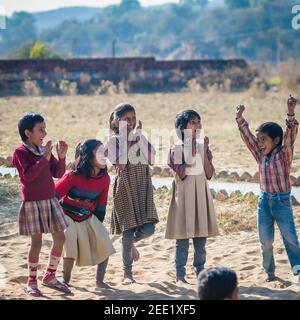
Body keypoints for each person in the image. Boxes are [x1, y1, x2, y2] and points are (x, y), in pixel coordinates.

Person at [236, 95, 300, 282]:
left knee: (290, 238)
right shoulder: (260, 154)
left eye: (264, 139)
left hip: (282, 201)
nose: (260, 143)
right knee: (265, 240)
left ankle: (297, 269)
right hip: (264, 202)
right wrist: (240, 118)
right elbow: (247, 138)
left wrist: (290, 113)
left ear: (276, 140)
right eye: (259, 139)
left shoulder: (284, 154)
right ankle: (269, 272)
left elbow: (291, 136)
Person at [12, 112, 70, 297]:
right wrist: (43, 158)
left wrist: (61, 157)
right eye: (41, 130)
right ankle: (31, 281)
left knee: (60, 238)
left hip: (50, 200)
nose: (44, 133)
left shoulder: (43, 150)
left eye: (45, 129)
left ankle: (50, 276)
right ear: (28, 133)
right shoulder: (20, 153)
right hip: (32, 203)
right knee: (36, 243)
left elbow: (58, 174)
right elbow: (28, 177)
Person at [107, 102, 159, 285]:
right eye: (126, 119)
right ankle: (127, 274)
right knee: (127, 232)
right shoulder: (113, 142)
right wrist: (129, 142)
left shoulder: (140, 137)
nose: (131, 122)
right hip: (125, 189)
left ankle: (130, 246)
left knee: (149, 229)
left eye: (133, 118)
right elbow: (121, 165)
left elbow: (152, 159)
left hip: (142, 187)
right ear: (116, 122)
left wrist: (140, 139)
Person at [165, 110, 219, 285]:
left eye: (199, 122)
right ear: (182, 128)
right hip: (184, 197)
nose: (198, 125)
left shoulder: (203, 147)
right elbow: (181, 174)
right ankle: (180, 275)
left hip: (200, 195)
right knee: (182, 238)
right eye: (193, 122)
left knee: (200, 238)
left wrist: (202, 152)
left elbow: (209, 174)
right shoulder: (176, 148)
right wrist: (193, 151)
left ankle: (200, 273)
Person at [55, 139, 115, 289]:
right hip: (66, 213)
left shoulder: (105, 179)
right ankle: (66, 280)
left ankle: (100, 280)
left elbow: (102, 203)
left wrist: (97, 224)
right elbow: (54, 196)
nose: (105, 155)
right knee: (70, 236)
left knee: (104, 240)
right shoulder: (72, 176)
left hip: (87, 215)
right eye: (100, 152)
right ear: (88, 156)